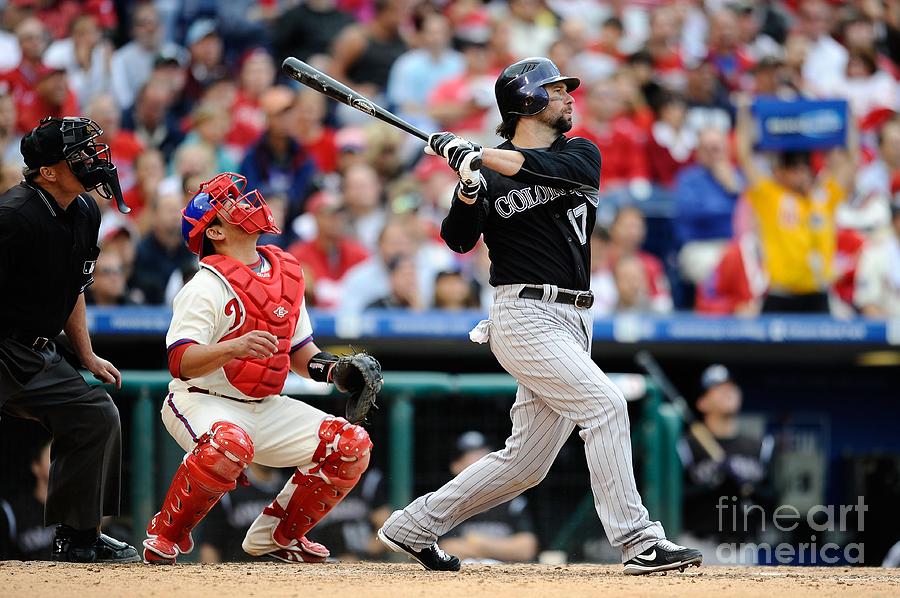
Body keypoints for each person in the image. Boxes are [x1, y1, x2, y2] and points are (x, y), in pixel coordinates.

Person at [376, 57, 702, 575]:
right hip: (523, 314)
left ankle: (414, 526)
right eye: (555, 90)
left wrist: (478, 154)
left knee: (526, 464)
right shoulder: (488, 171)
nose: (569, 97)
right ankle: (638, 540)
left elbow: (540, 169)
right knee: (607, 407)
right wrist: (467, 185)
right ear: (526, 100)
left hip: (575, 318)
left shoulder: (580, 153)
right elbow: (458, 239)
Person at [142, 172, 378, 565]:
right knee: (229, 444)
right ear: (214, 232)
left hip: (265, 404)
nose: (243, 205)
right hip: (204, 400)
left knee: (350, 446)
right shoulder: (204, 286)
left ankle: (279, 535)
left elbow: (302, 354)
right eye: (228, 205)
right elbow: (179, 362)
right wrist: (233, 347)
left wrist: (336, 372)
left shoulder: (286, 273)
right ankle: (166, 533)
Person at [0, 116, 137, 562]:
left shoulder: (84, 211)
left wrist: (87, 354)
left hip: (36, 350)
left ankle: (79, 538)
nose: (93, 159)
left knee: (96, 414)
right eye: (79, 154)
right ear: (49, 171)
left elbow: (74, 286)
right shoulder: (14, 215)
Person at [735, 96, 858, 313]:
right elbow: (744, 157)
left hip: (818, 292)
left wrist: (848, 118)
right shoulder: (770, 196)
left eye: (805, 168)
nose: (801, 174)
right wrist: (744, 116)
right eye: (794, 169)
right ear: (780, 172)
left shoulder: (824, 196)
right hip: (780, 293)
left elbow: (851, 162)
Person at [677, 365, 774, 565]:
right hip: (697, 546)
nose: (728, 391)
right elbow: (672, 498)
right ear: (702, 403)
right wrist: (712, 484)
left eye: (731, 386)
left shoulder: (758, 446)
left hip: (743, 549)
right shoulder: (686, 445)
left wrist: (747, 489)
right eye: (718, 388)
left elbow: (773, 497)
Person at [439, 432, 539, 563]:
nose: (479, 461)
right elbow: (446, 548)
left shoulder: (511, 499)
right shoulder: (450, 504)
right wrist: (502, 548)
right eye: (471, 458)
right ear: (456, 466)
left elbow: (526, 548)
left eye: (484, 456)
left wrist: (478, 543)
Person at [0, 441, 53, 560]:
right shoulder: (12, 511)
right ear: (36, 466)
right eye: (52, 456)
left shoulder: (76, 509)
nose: (60, 463)